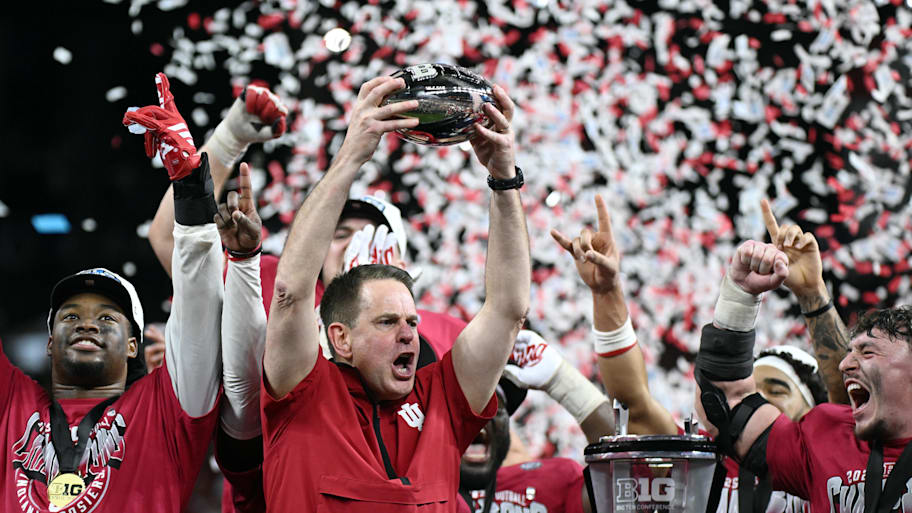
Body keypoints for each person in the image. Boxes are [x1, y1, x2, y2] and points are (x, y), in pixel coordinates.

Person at [260, 74, 530, 512]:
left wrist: (503, 176)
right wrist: (350, 156)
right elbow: (290, 292)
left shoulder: (443, 400)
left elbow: (508, 309)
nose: (409, 335)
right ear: (340, 337)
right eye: (387, 321)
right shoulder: (303, 395)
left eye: (411, 321)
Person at [0, 72, 228, 513]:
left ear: (133, 345)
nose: (86, 322)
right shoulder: (12, 402)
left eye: (108, 318)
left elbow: (199, 308)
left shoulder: (166, 409)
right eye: (69, 316)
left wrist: (190, 188)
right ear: (49, 343)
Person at [552, 194, 828, 513]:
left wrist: (812, 293)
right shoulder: (697, 461)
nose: (754, 398)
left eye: (775, 390)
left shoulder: (829, 466)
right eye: (754, 387)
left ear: (813, 412)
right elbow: (634, 403)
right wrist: (605, 292)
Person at [694, 232, 912, 513]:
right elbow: (725, 409)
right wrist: (739, 295)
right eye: (850, 353)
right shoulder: (827, 436)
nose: (844, 365)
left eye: (868, 352)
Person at [458, 330, 614, 513]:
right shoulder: (421, 486)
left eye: (494, 410)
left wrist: (561, 380)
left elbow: (626, 480)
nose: (481, 420)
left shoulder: (555, 480)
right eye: (464, 409)